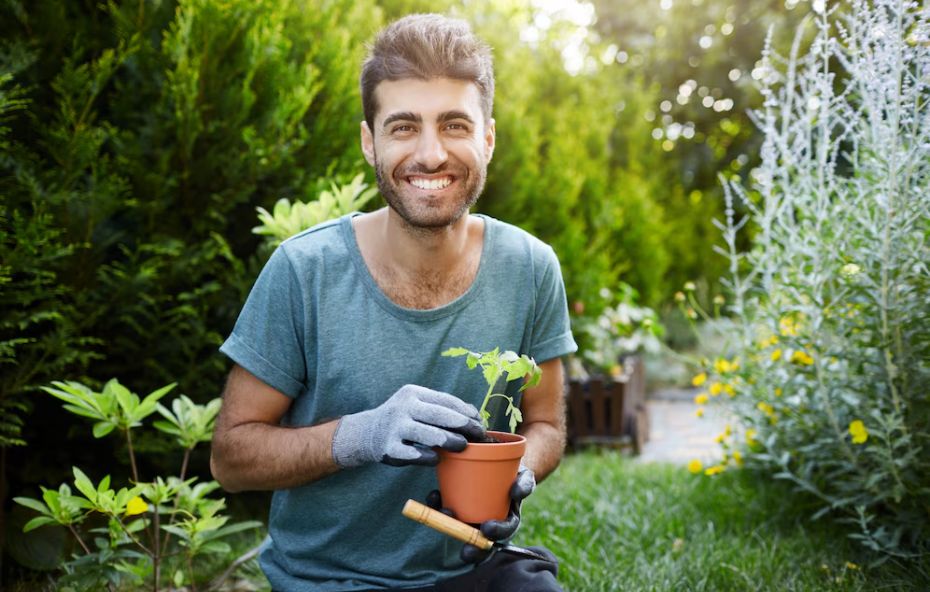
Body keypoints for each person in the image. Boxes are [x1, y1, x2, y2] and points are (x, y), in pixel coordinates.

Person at [210, 13, 577, 592]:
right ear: (369, 142)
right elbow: (230, 458)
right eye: (404, 127)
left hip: (472, 568)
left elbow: (546, 424)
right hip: (327, 580)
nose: (431, 155)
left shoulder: (530, 267)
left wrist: (519, 472)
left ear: (488, 137)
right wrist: (360, 436)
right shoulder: (304, 271)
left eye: (454, 124)